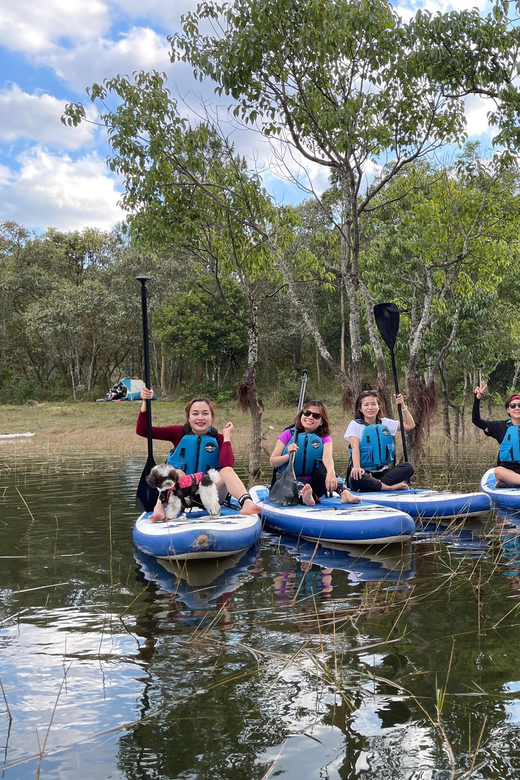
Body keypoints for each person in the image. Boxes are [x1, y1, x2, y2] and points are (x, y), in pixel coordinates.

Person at [137, 388, 262, 521]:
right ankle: (159, 509)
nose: (200, 418)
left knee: (227, 470)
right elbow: (143, 430)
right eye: (195, 414)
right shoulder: (178, 432)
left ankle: (247, 503)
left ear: (212, 418)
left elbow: (227, 463)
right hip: (183, 496)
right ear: (189, 418)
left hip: (211, 495)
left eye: (205, 413)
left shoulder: (218, 438)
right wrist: (145, 402)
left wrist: (226, 436)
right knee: (177, 472)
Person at [269, 399, 361, 506]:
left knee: (326, 468)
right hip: (291, 482)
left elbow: (327, 457)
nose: (310, 417)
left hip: (316, 484)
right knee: (299, 483)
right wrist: (288, 455)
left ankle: (344, 493)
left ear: (321, 421)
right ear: (302, 414)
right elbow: (273, 462)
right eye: (307, 413)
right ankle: (307, 498)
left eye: (316, 416)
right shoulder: (288, 434)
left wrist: (331, 472)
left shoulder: (324, 438)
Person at [345, 389, 415, 492]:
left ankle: (376, 485)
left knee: (408, 467)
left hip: (382, 473)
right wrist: (357, 467)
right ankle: (388, 487)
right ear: (360, 408)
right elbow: (355, 447)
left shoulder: (384, 422)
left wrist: (403, 406)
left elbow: (410, 425)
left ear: (378, 407)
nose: (370, 408)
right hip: (363, 472)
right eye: (366, 405)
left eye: (373, 404)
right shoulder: (355, 425)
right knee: (358, 477)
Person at [473, 382, 520, 487]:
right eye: (513, 406)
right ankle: (510, 481)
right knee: (498, 471)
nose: (517, 408)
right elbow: (476, 421)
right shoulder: (500, 427)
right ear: (508, 409)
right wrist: (477, 399)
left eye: (519, 405)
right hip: (508, 472)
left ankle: (511, 483)